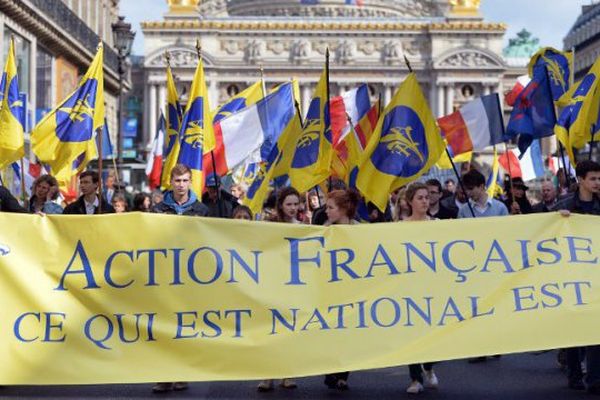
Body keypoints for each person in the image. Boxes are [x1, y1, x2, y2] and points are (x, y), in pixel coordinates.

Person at [151, 164, 208, 394]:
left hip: (191, 277)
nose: (181, 185)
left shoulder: (202, 210)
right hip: (164, 276)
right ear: (171, 182)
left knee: (186, 326)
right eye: (177, 181)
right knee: (164, 327)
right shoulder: (157, 210)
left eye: (185, 181)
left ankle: (182, 373)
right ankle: (164, 375)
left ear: (190, 182)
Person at [554, 160, 600, 394]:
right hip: (570, 278)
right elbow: (544, 234)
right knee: (573, 330)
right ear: (580, 180)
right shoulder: (564, 206)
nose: (597, 183)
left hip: (596, 278)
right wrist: (557, 220)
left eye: (599, 179)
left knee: (595, 328)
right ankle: (574, 374)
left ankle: (594, 378)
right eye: (592, 178)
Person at [257, 187, 302, 392]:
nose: (293, 208)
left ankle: (288, 373)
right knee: (270, 330)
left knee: (290, 331)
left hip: (294, 286)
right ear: (281, 205)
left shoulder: (304, 226)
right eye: (289, 204)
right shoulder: (269, 226)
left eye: (295, 204)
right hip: (273, 283)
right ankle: (267, 375)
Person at [400, 183, 439, 394]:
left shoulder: (438, 224)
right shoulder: (400, 227)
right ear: (410, 201)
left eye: (427, 197)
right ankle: (415, 379)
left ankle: (430, 366)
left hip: (433, 287)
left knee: (436, 332)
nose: (425, 201)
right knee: (412, 334)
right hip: (410, 287)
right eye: (420, 198)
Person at [321, 189, 361, 391]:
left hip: (354, 289)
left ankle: (343, 374)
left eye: (330, 207)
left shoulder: (361, 230)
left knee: (349, 332)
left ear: (344, 209)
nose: (326, 211)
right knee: (332, 331)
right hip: (331, 289)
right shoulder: (324, 230)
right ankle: (331, 370)